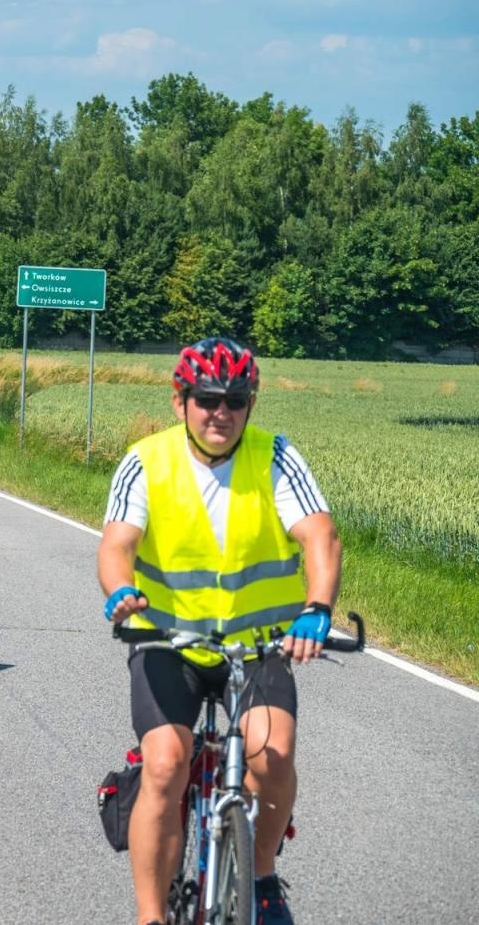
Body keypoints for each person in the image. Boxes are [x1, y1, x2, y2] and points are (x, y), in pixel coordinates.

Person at [96, 337, 340, 925]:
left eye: (235, 400)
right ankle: (151, 916)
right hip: (165, 641)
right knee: (164, 765)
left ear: (251, 404)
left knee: (273, 756)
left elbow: (320, 536)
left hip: (257, 645)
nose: (220, 413)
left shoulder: (276, 457)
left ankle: (261, 878)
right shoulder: (146, 460)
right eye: (207, 399)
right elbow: (116, 546)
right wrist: (121, 591)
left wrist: (316, 608)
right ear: (180, 400)